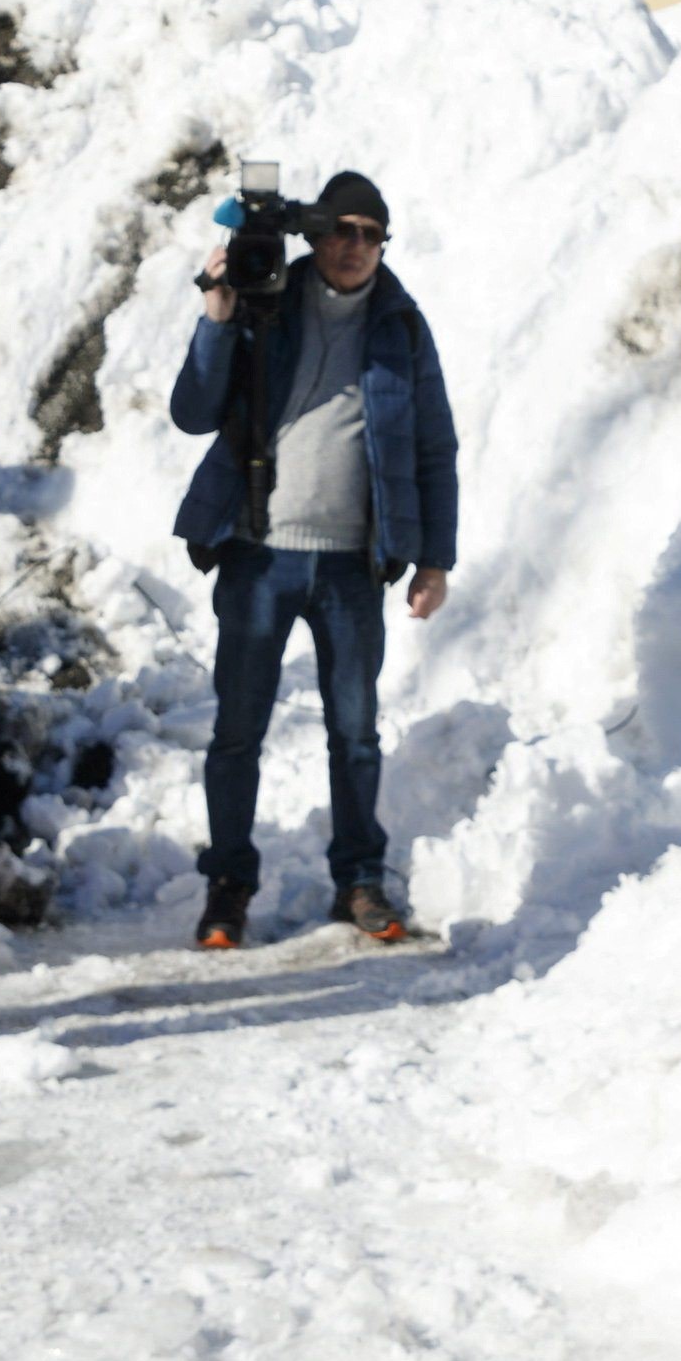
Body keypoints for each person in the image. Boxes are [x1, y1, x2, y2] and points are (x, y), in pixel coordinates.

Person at [165, 169, 458, 950]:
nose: (356, 246)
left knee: (356, 733)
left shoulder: (401, 326)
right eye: (344, 229)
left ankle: (359, 878)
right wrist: (219, 314)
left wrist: (434, 557)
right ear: (316, 233)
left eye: (372, 233)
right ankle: (229, 885)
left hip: (350, 568)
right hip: (259, 559)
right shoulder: (267, 303)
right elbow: (194, 410)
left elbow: (434, 445)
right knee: (237, 731)